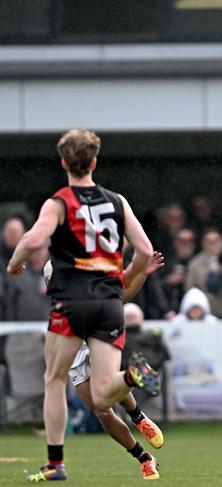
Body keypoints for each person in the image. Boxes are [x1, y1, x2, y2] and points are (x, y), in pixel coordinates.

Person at [6, 128, 159, 481]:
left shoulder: (59, 202)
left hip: (73, 300)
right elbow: (146, 250)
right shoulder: (117, 201)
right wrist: (125, 275)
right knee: (105, 390)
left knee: (54, 378)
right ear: (94, 162)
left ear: (64, 163)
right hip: (108, 301)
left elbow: (35, 238)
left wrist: (15, 263)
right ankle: (133, 376)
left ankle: (56, 463)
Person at [45, 255, 165, 481]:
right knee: (102, 410)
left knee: (105, 391)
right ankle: (145, 458)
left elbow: (122, 296)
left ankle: (139, 417)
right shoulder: (55, 270)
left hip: (95, 336)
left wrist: (143, 273)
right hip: (73, 347)